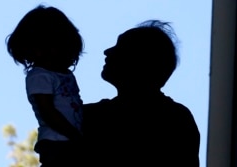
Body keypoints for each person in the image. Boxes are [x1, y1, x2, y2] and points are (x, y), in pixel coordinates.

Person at [84, 19, 200, 166]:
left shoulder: (93, 117)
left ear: (139, 61)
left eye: (121, 47)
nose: (107, 51)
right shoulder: (177, 117)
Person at [6, 4, 84, 166]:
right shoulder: (39, 76)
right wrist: (75, 135)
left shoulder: (65, 75)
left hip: (69, 140)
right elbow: (47, 110)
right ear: (38, 49)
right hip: (56, 143)